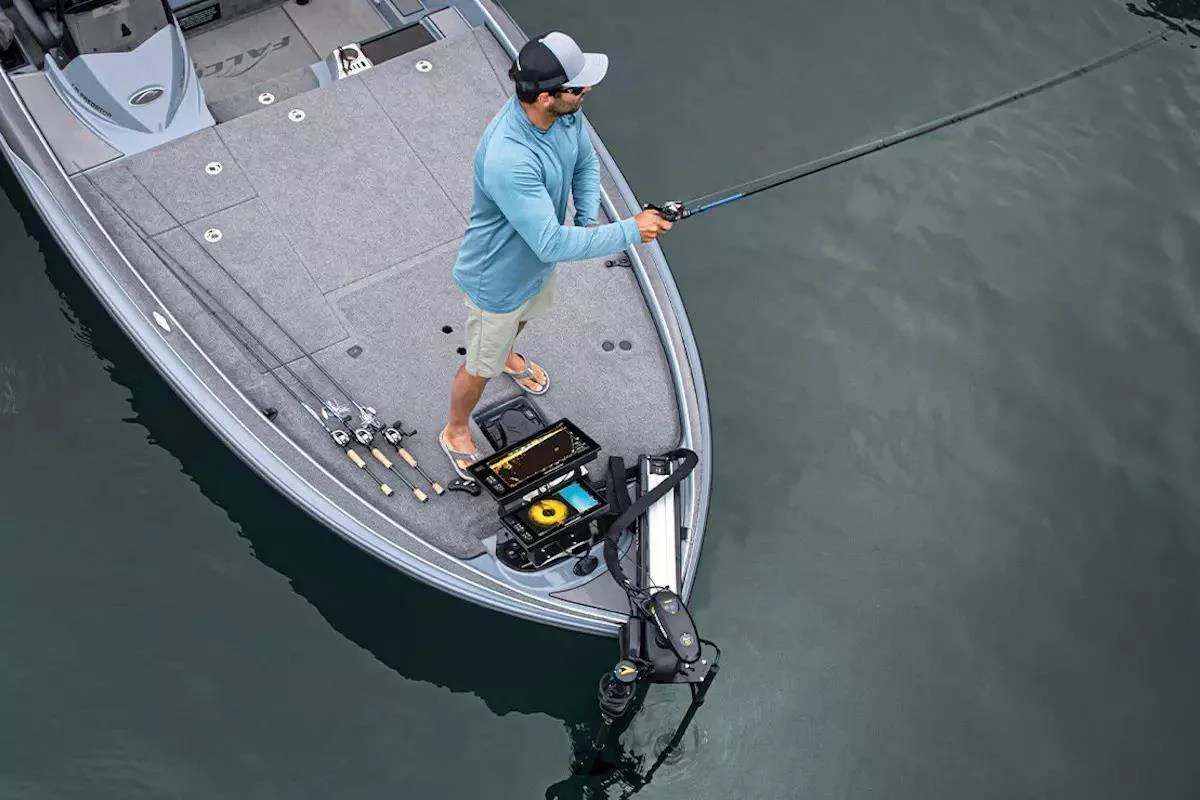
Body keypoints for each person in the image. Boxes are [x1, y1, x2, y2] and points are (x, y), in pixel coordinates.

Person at [440, 31, 672, 478]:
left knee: (521, 323)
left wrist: (587, 221)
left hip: (535, 267)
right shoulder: (509, 157)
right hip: (498, 280)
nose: (588, 91)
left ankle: (508, 354)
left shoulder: (567, 117)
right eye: (579, 87)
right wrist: (630, 230)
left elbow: (586, 164)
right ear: (547, 96)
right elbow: (549, 241)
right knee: (479, 365)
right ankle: (453, 429)